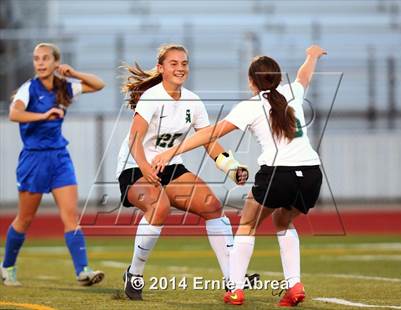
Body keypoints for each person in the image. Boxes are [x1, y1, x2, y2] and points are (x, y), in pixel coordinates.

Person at [152, 45, 327, 307]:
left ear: (251, 81)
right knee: (283, 222)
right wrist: (312, 56)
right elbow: (304, 76)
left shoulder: (250, 107)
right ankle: (294, 286)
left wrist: (173, 151)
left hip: (278, 174)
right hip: (312, 173)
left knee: (246, 225)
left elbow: (210, 134)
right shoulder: (291, 92)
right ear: (278, 78)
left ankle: (235, 290)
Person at [116, 43, 253, 300]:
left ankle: (232, 279)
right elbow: (135, 139)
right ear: (161, 68)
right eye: (174, 63)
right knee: (159, 208)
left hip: (170, 166)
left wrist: (232, 167)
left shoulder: (193, 101)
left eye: (184, 63)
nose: (180, 68)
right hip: (135, 166)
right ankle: (134, 274)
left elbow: (209, 140)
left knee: (212, 205)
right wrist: (146, 168)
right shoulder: (152, 97)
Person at [1, 43, 106, 287]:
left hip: (59, 158)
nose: (39, 63)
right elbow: (14, 115)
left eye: (45, 58)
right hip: (34, 160)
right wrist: (43, 115)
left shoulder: (64, 87)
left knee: (71, 216)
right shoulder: (28, 89)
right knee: (25, 219)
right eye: (36, 58)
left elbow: (99, 85)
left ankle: (83, 271)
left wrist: (74, 73)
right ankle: (7, 267)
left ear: (55, 62)